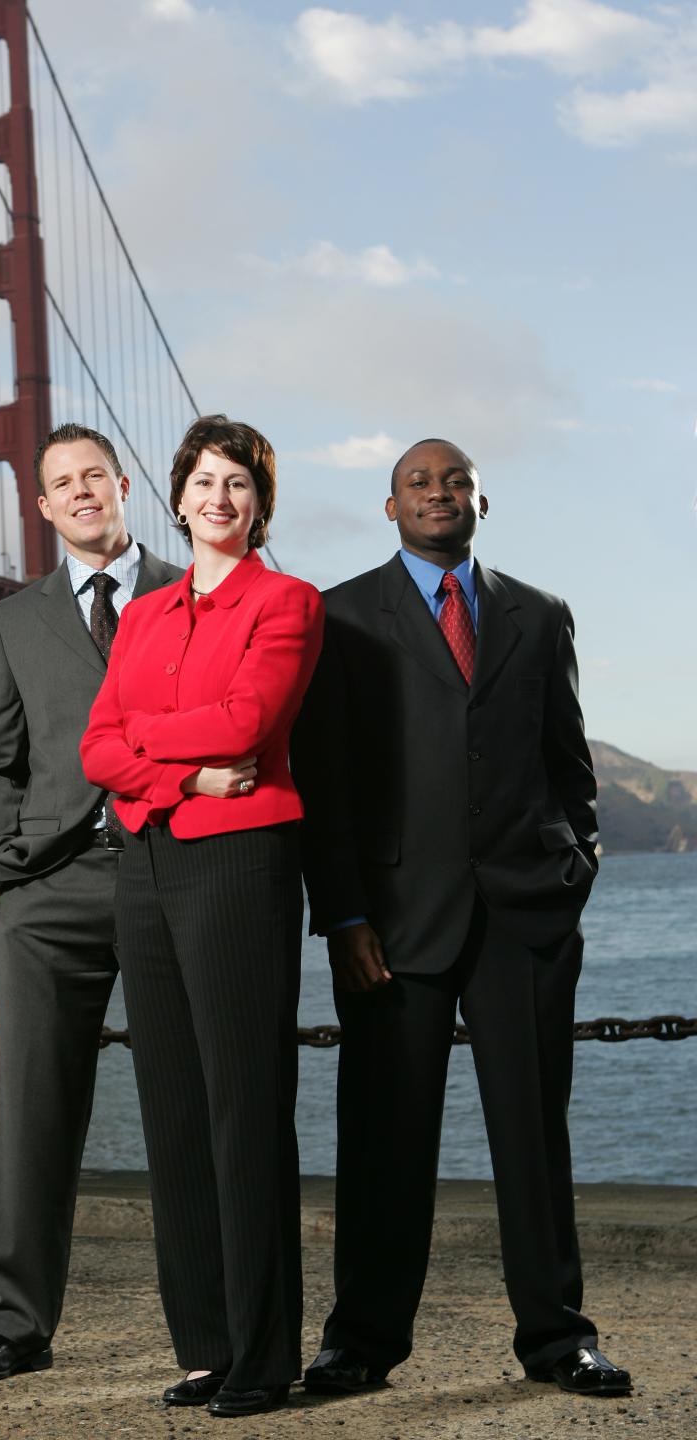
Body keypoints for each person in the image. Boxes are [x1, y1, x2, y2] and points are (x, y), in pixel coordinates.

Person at [292, 438, 632, 1399]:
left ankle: (559, 1339)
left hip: (526, 917)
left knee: (534, 1135)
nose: (437, 493)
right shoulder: (343, 613)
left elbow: (570, 763)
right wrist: (346, 912)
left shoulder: (540, 613)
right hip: (394, 925)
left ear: (485, 500)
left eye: (454, 481)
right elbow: (329, 783)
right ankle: (358, 1342)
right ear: (387, 506)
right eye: (416, 482)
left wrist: (576, 867)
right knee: (383, 1138)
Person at [80, 415, 323, 1418]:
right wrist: (181, 772)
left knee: (242, 1105)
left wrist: (149, 748)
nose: (219, 499)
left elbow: (250, 725)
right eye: (205, 481)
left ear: (260, 505)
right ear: (176, 497)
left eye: (239, 484)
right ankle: (208, 1346)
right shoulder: (140, 615)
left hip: (239, 864)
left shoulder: (289, 602)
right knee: (175, 1110)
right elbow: (100, 746)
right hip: (146, 858)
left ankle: (265, 1356)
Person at [0, 423, 183, 1384]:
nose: (81, 493)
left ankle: (212, 1330)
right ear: (41, 507)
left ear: (123, 485)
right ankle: (15, 1323)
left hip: (174, 873)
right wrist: (3, 870)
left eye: (94, 476)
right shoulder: (10, 620)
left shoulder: (193, 584)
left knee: (191, 1107)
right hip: (49, 890)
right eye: (60, 484)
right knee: (35, 1112)